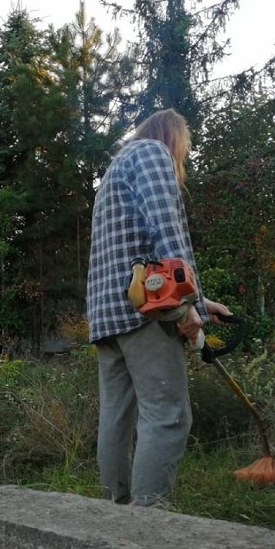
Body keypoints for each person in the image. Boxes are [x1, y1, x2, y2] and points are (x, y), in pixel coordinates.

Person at [86, 109, 230, 508]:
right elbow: (167, 231)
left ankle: (113, 508)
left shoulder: (115, 170)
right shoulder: (152, 154)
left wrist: (201, 302)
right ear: (174, 137)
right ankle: (147, 519)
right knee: (167, 413)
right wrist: (185, 306)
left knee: (117, 415)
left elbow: (129, 246)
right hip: (147, 309)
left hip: (107, 315)